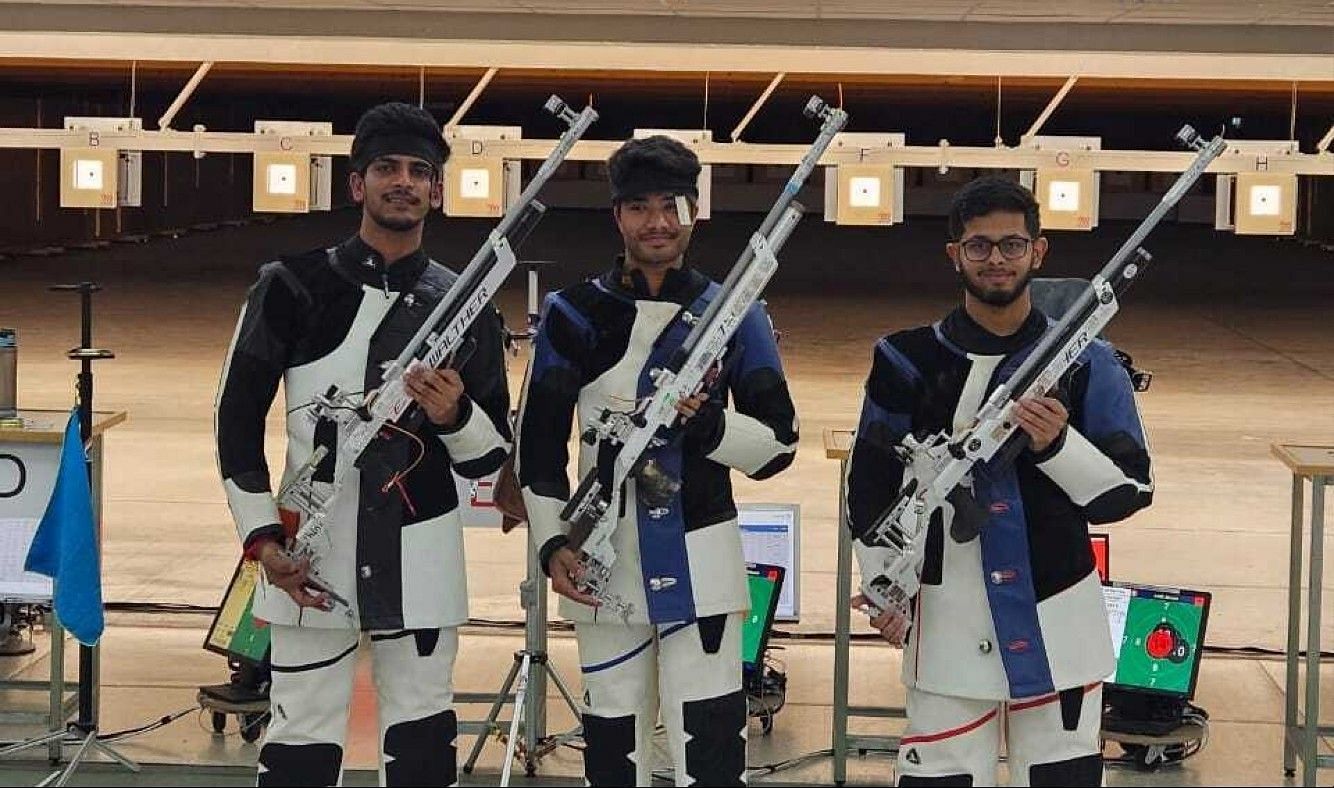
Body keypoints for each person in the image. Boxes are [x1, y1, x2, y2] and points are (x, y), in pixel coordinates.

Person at [215, 101, 511, 786]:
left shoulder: (464, 304)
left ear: (438, 189)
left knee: (423, 739)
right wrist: (263, 540)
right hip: (308, 551)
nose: (402, 182)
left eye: (418, 171)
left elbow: (492, 457)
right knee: (299, 739)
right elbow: (235, 424)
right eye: (385, 168)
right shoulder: (289, 286)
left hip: (423, 553)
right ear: (357, 184)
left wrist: (456, 415)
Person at [846, 176, 1153, 786]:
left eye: (1012, 244)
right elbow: (868, 488)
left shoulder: (1088, 359)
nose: (996, 259)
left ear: (1038, 252)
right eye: (979, 246)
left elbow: (1128, 492)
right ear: (954, 254)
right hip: (944, 627)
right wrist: (886, 587)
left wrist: (1057, 443)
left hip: (1060, 621)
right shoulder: (905, 358)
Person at [515, 136, 798, 786]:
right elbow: (537, 447)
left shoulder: (735, 313)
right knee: (614, 739)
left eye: (671, 205)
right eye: (639, 206)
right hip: (601, 558)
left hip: (703, 555)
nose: (657, 222)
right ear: (617, 215)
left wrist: (709, 425)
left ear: (693, 211)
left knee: (710, 742)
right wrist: (553, 540)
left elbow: (778, 446)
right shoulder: (572, 314)